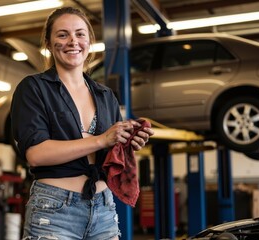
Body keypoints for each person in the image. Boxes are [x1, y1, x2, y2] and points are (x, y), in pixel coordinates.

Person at [10, 6, 154, 240]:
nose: (72, 41)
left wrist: (127, 142)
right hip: (54, 210)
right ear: (48, 42)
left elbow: (109, 152)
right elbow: (36, 154)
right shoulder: (33, 88)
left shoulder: (106, 95)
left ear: (89, 41)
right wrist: (102, 139)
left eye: (80, 34)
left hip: (104, 208)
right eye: (62, 34)